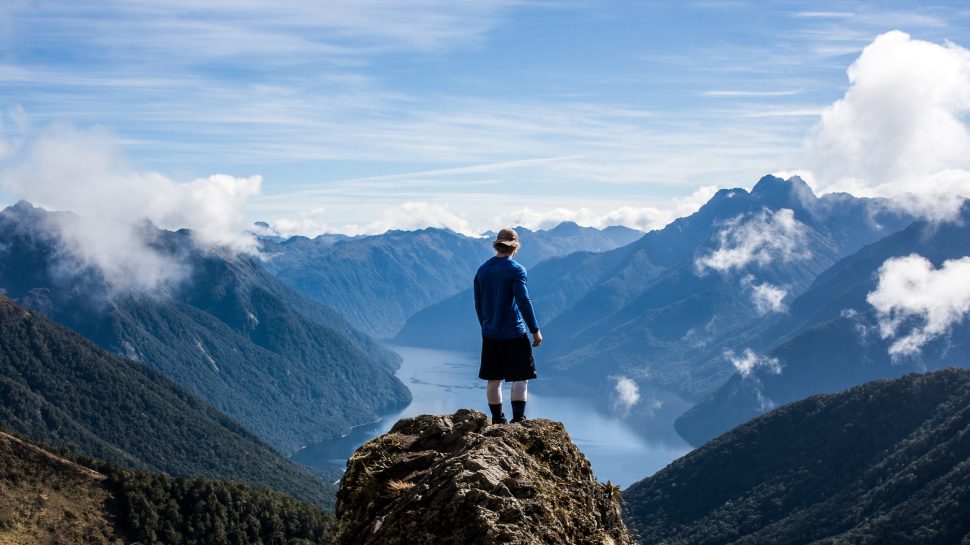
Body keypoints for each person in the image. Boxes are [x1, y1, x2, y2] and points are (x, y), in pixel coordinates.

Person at [474, 227, 542, 424]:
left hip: (490, 333)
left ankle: (497, 419)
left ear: (497, 245)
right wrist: (535, 330)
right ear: (515, 247)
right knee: (520, 376)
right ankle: (518, 419)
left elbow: (478, 304)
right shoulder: (516, 270)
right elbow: (523, 301)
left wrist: (486, 325)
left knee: (493, 379)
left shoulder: (483, 270)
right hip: (514, 332)